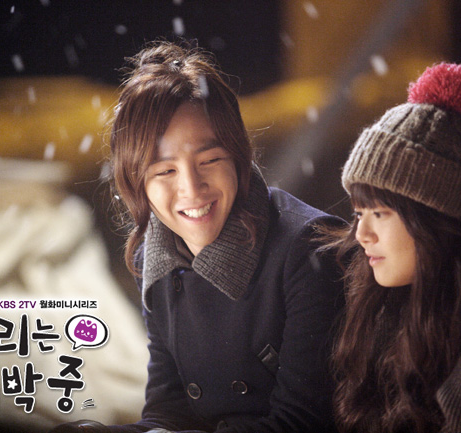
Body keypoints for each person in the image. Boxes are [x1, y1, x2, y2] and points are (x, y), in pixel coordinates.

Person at [50, 40, 344, 432]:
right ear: (136, 184)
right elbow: (168, 413)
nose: (192, 188)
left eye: (209, 160)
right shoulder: (154, 257)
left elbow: (300, 424)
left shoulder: (308, 250)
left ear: (238, 158)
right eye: (165, 171)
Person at [325, 62, 461, 432]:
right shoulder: (386, 306)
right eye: (358, 213)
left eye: (380, 213)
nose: (361, 234)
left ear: (438, 221)